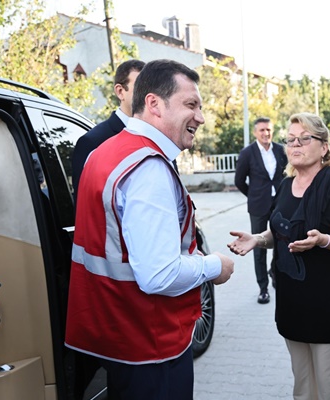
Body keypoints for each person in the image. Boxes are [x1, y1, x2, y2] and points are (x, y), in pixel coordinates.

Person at [65, 59, 235, 400]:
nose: (200, 117)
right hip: (151, 345)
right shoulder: (148, 167)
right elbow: (158, 275)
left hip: (120, 338)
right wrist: (215, 265)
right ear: (154, 104)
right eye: (191, 105)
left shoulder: (106, 152)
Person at [228, 112, 330, 400]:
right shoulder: (286, 185)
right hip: (292, 301)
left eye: (304, 139)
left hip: (327, 303)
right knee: (302, 388)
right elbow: (278, 233)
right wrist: (256, 239)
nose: (295, 145)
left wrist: (323, 240)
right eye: (290, 140)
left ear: (324, 147)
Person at [71, 59, 145, 199]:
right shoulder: (92, 143)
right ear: (120, 91)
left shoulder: (159, 138)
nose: (147, 96)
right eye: (140, 88)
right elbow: (85, 208)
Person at [234, 117, 288, 303]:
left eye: (269, 130)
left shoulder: (281, 150)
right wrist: (253, 195)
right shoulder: (247, 153)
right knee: (258, 245)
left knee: (282, 241)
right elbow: (239, 181)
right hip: (258, 206)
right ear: (256, 132)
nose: (266, 133)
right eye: (262, 130)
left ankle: (274, 272)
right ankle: (263, 288)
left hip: (280, 203)